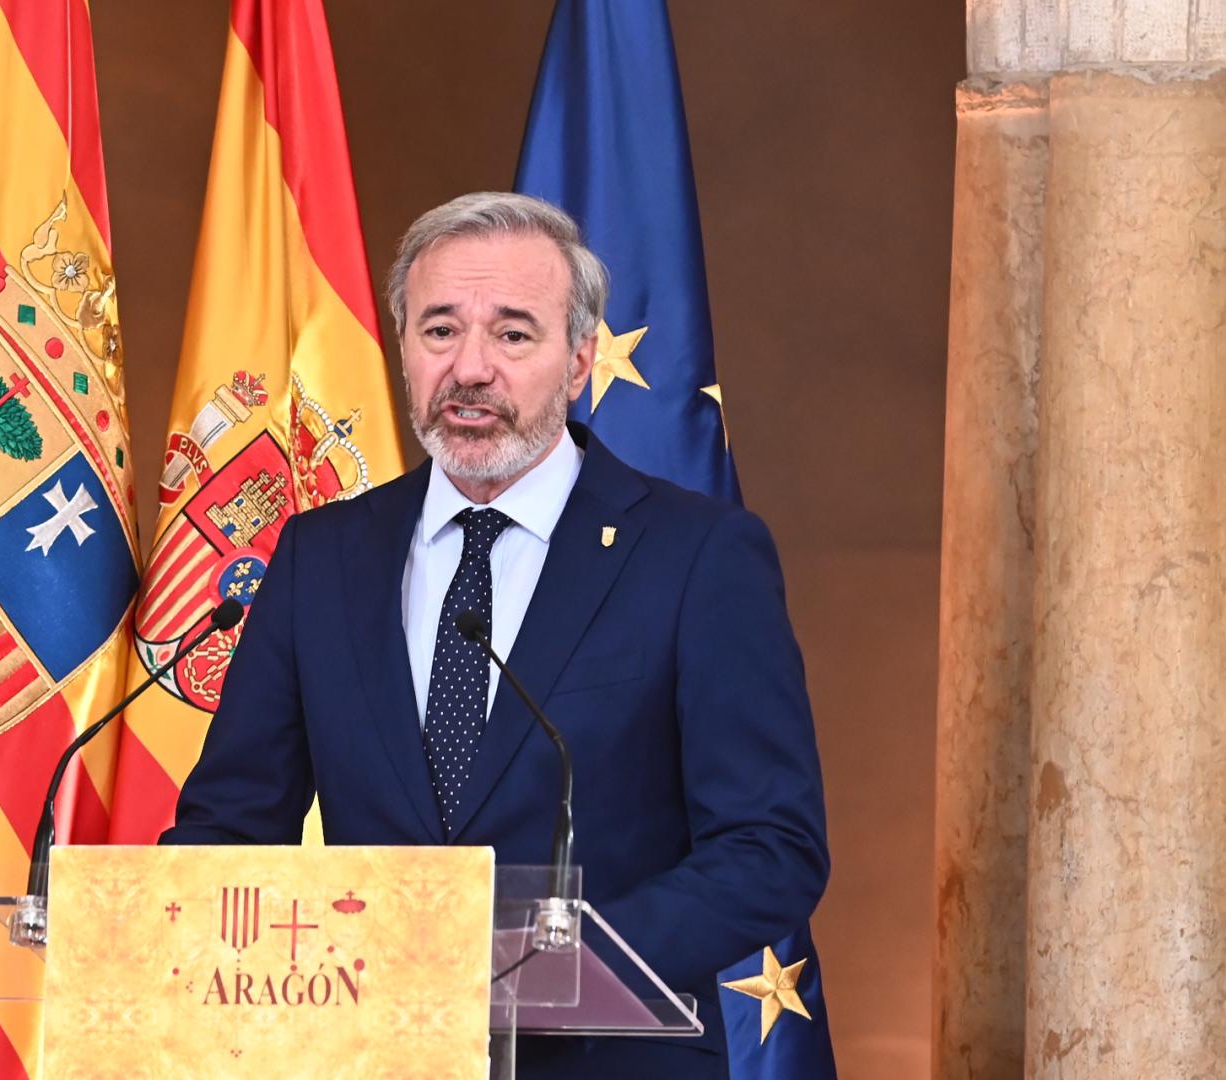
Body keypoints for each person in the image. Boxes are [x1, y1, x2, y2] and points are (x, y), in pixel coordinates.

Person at [161, 192, 828, 1079]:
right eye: (440, 331)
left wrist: (549, 971)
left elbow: (769, 850)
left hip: (607, 1059)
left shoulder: (698, 556)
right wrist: (139, 937)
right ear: (402, 349)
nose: (470, 367)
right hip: (367, 1055)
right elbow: (231, 828)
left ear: (580, 359)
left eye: (513, 335)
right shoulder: (320, 558)